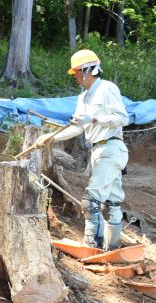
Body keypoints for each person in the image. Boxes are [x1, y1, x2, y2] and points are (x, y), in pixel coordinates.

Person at [35, 49, 129, 250]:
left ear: (87, 70)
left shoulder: (107, 88)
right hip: (98, 151)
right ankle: (111, 247)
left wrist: (94, 119)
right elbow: (77, 127)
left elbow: (122, 118)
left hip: (111, 147)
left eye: (77, 72)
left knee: (91, 200)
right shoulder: (83, 98)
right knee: (111, 202)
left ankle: (91, 244)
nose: (75, 76)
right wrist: (50, 138)